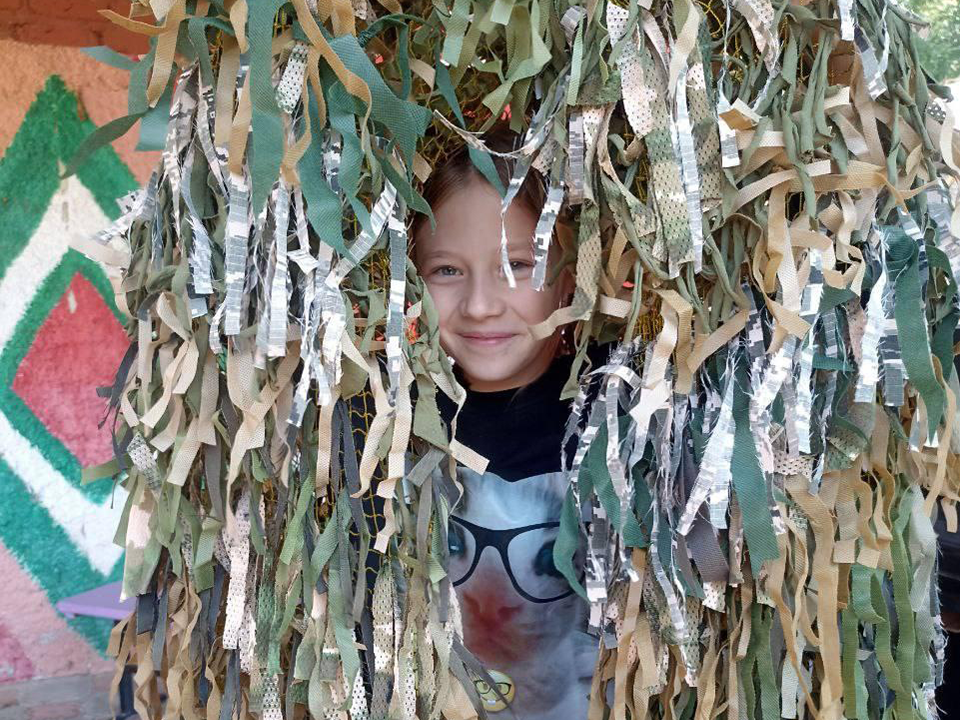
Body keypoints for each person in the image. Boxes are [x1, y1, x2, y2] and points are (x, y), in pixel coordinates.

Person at [411, 133, 600, 720]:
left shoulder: (623, 415)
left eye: (519, 264)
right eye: (446, 270)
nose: (481, 304)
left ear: (570, 275)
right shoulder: (387, 428)